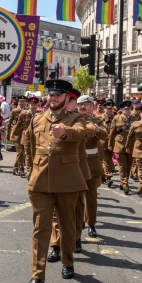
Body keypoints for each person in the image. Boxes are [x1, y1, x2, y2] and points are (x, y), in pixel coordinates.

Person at [25, 79, 87, 283]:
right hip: (40, 180)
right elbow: (30, 147)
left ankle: (68, 261)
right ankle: (37, 274)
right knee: (40, 229)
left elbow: (83, 131)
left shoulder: (75, 117)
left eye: (58, 95)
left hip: (68, 180)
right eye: (51, 94)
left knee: (68, 225)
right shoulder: (37, 119)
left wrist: (66, 132)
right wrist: (29, 170)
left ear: (67, 98)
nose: (53, 98)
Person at [48, 87, 91, 260]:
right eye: (72, 101)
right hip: (60, 168)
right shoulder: (54, 118)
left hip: (79, 168)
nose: (73, 104)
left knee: (78, 209)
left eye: (74, 101)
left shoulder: (83, 119)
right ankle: (56, 244)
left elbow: (86, 131)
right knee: (56, 211)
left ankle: (76, 237)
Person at [77, 95, 107, 237]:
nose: (83, 107)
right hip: (74, 163)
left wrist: (97, 130)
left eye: (86, 104)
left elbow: (105, 136)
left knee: (91, 197)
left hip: (91, 162)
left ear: (92, 106)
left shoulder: (98, 120)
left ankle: (91, 224)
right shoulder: (72, 120)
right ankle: (78, 223)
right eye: (80, 104)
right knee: (76, 197)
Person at [108, 100, 134, 194]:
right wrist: (110, 144)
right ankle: (125, 184)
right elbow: (112, 132)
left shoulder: (134, 118)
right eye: (125, 109)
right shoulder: (116, 118)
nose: (127, 110)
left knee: (128, 166)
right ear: (122, 110)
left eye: (129, 109)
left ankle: (122, 183)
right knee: (122, 167)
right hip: (119, 145)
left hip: (130, 146)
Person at [100, 100, 116, 187]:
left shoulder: (115, 118)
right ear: (104, 108)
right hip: (103, 142)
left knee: (108, 160)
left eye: (111, 109)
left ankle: (103, 177)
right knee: (105, 160)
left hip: (112, 143)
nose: (110, 110)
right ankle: (109, 176)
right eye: (108, 109)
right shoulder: (100, 118)